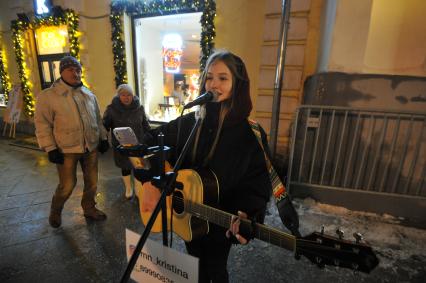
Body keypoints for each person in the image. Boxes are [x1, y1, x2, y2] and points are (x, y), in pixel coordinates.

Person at [136, 50, 298, 282]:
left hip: (221, 224)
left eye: (223, 78)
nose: (214, 84)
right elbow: (150, 141)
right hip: (189, 219)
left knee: (216, 270)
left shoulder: (249, 133)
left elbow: (257, 181)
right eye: (210, 77)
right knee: (194, 270)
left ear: (237, 85)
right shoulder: (192, 122)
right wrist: (152, 180)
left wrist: (249, 213)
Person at [34, 55, 109, 228]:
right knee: (67, 185)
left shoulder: (89, 94)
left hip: (90, 146)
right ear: (61, 72)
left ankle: (89, 208)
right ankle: (55, 210)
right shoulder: (48, 96)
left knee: (92, 182)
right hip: (65, 148)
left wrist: (103, 137)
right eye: (70, 69)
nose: (75, 73)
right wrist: (50, 148)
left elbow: (97, 119)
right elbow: (42, 123)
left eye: (77, 69)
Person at [102, 84, 151, 199]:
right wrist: (103, 138)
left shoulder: (139, 108)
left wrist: (150, 136)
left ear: (132, 95)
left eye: (129, 94)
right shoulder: (112, 109)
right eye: (123, 95)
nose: (126, 97)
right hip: (121, 145)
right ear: (119, 96)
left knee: (138, 167)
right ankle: (128, 188)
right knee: (125, 167)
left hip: (137, 144)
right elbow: (105, 125)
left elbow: (145, 125)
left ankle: (138, 189)